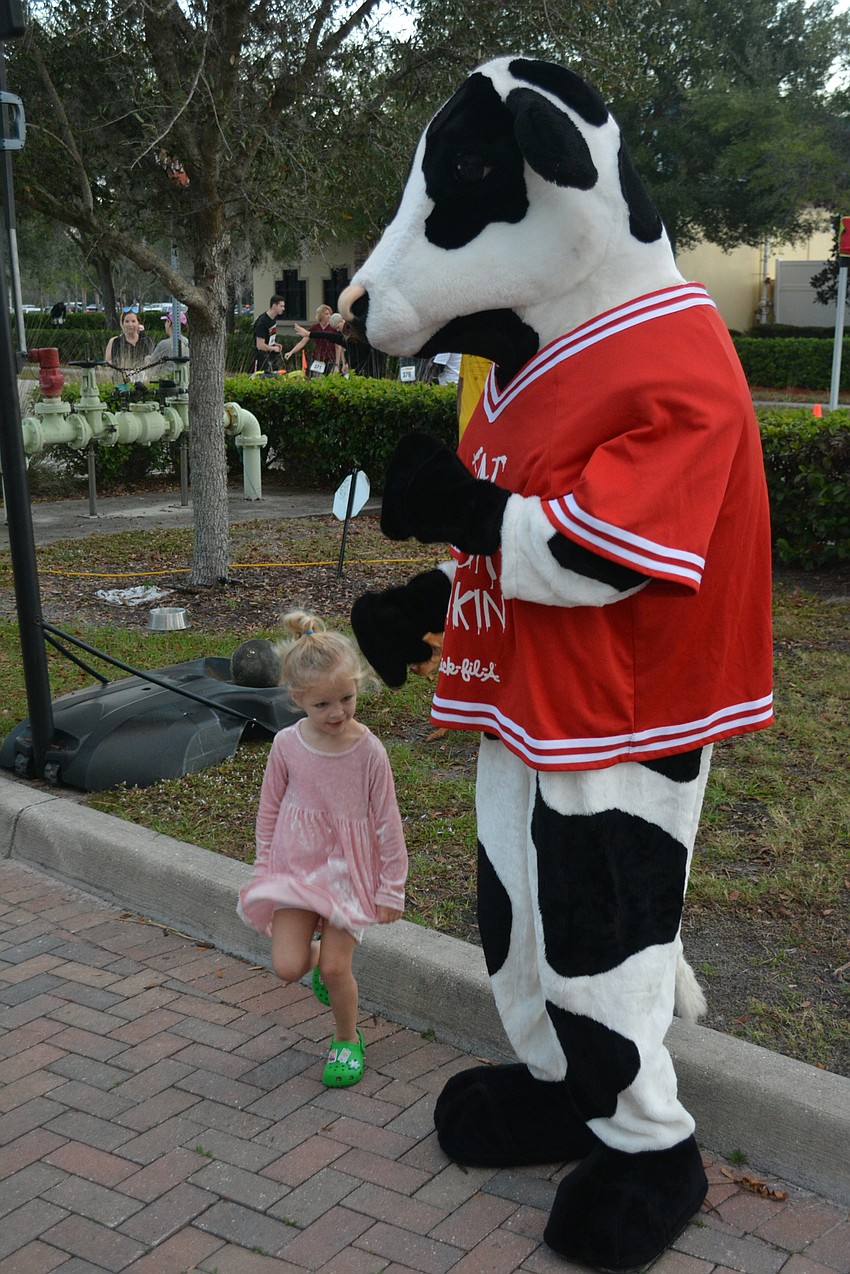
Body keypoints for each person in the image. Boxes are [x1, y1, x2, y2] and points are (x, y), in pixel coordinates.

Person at [237, 610, 408, 1089]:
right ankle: (317, 966)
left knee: (338, 968)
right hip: (296, 869)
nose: (337, 713)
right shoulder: (286, 746)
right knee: (288, 966)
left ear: (358, 687)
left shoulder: (370, 751)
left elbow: (386, 822)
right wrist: (263, 868)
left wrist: (391, 888)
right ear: (298, 700)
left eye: (347, 699)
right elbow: (268, 811)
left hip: (349, 873)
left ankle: (346, 1038)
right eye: (323, 705)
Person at [284, 304, 343, 374]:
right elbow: (303, 342)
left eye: (330, 314)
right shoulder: (315, 328)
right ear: (321, 315)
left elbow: (338, 347)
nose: (329, 316)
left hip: (330, 359)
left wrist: (337, 364)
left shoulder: (333, 328)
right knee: (315, 379)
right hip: (317, 359)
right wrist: (291, 352)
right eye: (326, 314)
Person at [104, 307, 154, 383]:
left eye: (133, 321)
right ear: (122, 323)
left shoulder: (146, 340)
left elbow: (152, 360)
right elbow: (108, 362)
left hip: (143, 380)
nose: (130, 325)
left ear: (138, 323)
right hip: (121, 380)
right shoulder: (115, 341)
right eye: (127, 321)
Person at [144, 311, 189, 380]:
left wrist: (146, 358)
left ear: (169, 323)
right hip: (185, 379)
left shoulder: (164, 344)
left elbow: (151, 361)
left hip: (166, 383)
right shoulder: (187, 341)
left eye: (166, 321)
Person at [252, 295, 286, 373]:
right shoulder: (262, 322)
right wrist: (273, 348)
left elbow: (268, 336)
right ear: (274, 306)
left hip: (271, 355)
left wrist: (275, 344)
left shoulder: (273, 318)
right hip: (262, 357)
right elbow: (260, 345)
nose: (283, 309)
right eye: (281, 306)